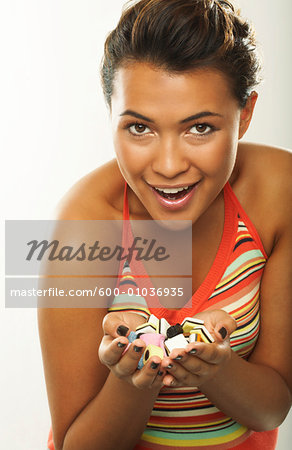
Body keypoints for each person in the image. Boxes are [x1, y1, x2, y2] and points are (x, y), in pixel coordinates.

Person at [38, 0, 292, 449]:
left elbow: (273, 408)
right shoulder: (81, 226)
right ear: (111, 115)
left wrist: (218, 368)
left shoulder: (278, 192)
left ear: (245, 114)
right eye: (139, 128)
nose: (170, 166)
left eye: (199, 128)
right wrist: (134, 380)